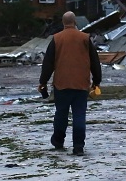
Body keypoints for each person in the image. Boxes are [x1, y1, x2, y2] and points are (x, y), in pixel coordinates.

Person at [39, 11, 102, 156]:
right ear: (75, 22)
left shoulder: (56, 39)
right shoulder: (85, 38)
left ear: (63, 23)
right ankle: (78, 146)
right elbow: (95, 62)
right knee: (79, 115)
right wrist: (97, 81)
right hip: (81, 84)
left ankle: (58, 141)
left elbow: (48, 64)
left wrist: (42, 82)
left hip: (61, 84)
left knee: (61, 114)